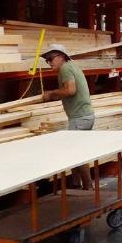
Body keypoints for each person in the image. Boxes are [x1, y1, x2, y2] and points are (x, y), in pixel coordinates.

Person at [41, 44, 95, 190]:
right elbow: (69, 91)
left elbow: (70, 90)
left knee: (77, 151)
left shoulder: (65, 68)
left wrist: (51, 94)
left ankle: (88, 186)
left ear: (61, 56)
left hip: (79, 117)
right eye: (47, 60)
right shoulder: (73, 66)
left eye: (51, 59)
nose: (49, 62)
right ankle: (76, 183)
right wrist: (54, 95)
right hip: (85, 115)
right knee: (74, 150)